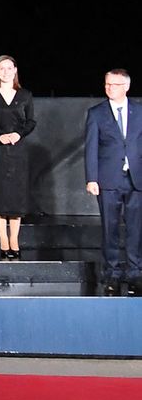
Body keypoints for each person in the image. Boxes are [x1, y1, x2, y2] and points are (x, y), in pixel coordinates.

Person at [84, 69, 141, 296]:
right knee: (110, 229)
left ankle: (135, 273)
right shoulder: (96, 113)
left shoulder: (139, 111)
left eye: (114, 84)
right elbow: (91, 148)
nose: (109, 88)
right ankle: (112, 275)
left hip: (136, 178)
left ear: (126, 87)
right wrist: (92, 178)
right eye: (107, 84)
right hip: (108, 179)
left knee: (136, 229)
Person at [0, 55, 36, 261]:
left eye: (9, 68)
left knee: (16, 196)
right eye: (2, 68)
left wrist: (18, 134)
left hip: (18, 151)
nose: (6, 72)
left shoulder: (25, 95)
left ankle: (14, 240)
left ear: (15, 70)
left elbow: (31, 121)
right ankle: (3, 240)